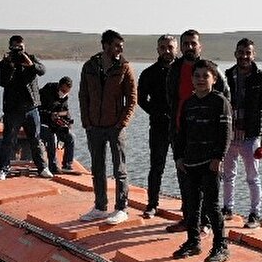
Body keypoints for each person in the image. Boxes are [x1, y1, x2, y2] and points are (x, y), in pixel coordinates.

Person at [164, 30, 228, 233]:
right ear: (181, 47)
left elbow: (225, 98)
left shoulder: (211, 69)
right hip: (181, 130)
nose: (189, 47)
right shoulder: (174, 69)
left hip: (208, 135)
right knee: (185, 178)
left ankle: (207, 223)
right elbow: (170, 98)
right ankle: (189, 219)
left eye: (193, 43)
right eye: (186, 44)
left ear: (200, 46)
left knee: (209, 185)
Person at [171, 60, 233, 262]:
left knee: (212, 205)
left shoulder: (220, 102)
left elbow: (225, 133)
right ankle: (193, 242)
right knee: (191, 205)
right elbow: (182, 134)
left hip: (210, 163)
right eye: (196, 76)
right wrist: (178, 157)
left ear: (214, 79)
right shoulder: (188, 103)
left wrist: (219, 157)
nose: (200, 80)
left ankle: (220, 246)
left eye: (205, 76)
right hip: (190, 162)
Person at [78, 29, 137, 223]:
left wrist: (122, 123)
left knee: (119, 169)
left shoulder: (124, 67)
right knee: (97, 167)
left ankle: (121, 208)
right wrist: (86, 122)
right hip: (94, 127)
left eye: (122, 45)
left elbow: (132, 99)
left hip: (115, 127)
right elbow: (83, 95)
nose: (120, 49)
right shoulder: (89, 67)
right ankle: (100, 206)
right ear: (105, 46)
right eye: (117, 45)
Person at [221, 38, 262, 227]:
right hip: (229, 134)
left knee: (252, 177)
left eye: (248, 53)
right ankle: (227, 209)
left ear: (253, 54)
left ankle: (255, 214)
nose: (244, 56)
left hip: (250, 135)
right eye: (241, 52)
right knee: (227, 175)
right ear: (235, 53)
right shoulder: (226, 76)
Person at [0, 34, 51, 180]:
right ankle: (3, 168)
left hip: (31, 108)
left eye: (20, 47)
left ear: (24, 46)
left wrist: (30, 65)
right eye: (15, 47)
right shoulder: (5, 62)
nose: (18, 50)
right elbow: (2, 81)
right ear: (10, 47)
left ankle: (42, 167)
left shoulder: (31, 59)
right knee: (9, 139)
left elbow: (42, 71)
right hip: (13, 109)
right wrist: (10, 65)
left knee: (36, 138)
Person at [136, 34, 178, 218]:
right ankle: (152, 204)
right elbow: (141, 100)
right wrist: (156, 112)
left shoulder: (185, 70)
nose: (167, 51)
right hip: (159, 126)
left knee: (184, 168)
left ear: (176, 49)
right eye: (163, 47)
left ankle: (189, 207)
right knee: (156, 167)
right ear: (158, 50)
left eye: (170, 47)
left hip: (181, 127)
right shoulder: (149, 73)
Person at [39, 76, 78, 175]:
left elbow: (65, 111)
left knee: (71, 137)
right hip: (42, 123)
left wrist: (67, 122)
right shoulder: (47, 90)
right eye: (63, 90)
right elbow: (37, 108)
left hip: (55, 123)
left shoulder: (65, 97)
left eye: (67, 92)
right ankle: (53, 166)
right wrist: (49, 114)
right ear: (59, 87)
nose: (64, 93)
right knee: (51, 138)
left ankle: (67, 165)